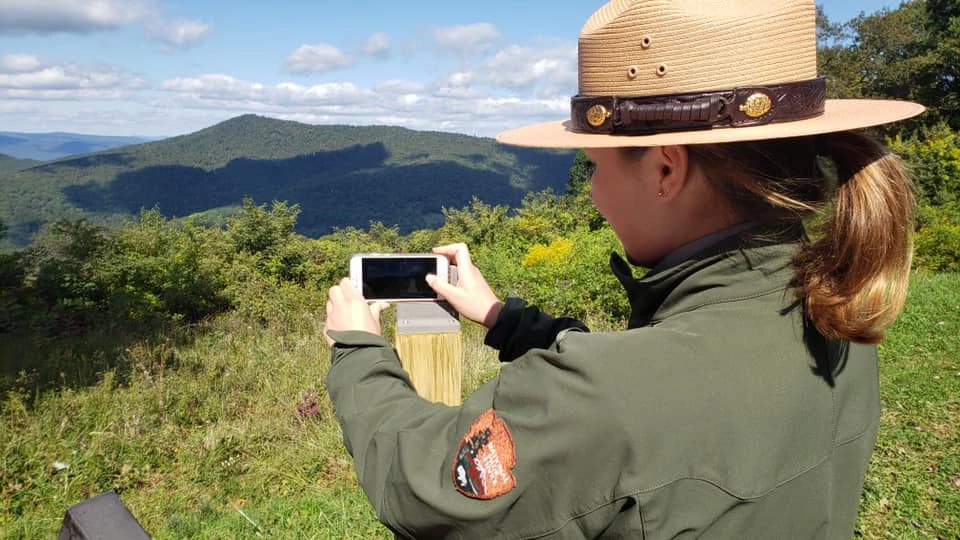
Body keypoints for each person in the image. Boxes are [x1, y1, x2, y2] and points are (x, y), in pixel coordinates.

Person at [323, 0, 925, 537]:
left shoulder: (602, 401)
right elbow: (664, 387)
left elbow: (422, 486)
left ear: (666, 170)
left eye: (594, 167)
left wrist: (358, 349)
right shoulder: (839, 310)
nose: (593, 194)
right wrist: (506, 319)